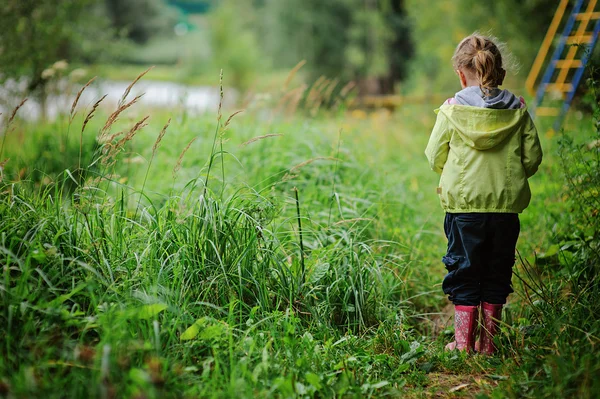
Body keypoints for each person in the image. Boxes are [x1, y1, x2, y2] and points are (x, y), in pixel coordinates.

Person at [425, 33, 543, 355]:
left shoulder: (451, 111)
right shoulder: (517, 111)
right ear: (500, 72)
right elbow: (532, 158)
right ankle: (488, 344)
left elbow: (434, 154)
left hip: (464, 209)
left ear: (461, 74)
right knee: (496, 270)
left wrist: (454, 175)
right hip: (505, 211)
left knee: (464, 270)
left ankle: (463, 344)